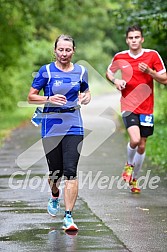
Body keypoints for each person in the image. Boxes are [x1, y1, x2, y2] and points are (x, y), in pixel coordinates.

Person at [28, 34, 91, 230]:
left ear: (73, 51)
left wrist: (87, 96)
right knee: (55, 172)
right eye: (61, 49)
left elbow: (86, 91)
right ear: (55, 50)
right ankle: (54, 193)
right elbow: (31, 97)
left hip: (74, 123)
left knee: (70, 172)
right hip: (51, 124)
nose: (64, 53)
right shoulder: (45, 71)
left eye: (68, 50)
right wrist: (49, 99)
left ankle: (69, 217)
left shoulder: (81, 71)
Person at [106, 25, 167, 193]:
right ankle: (129, 165)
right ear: (127, 40)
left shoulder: (152, 55)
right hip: (129, 104)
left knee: (141, 145)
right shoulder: (120, 56)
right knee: (134, 139)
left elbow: (165, 79)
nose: (134, 40)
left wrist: (150, 72)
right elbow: (109, 73)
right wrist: (116, 81)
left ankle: (134, 179)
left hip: (147, 107)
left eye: (137, 37)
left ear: (142, 39)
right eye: (131, 38)